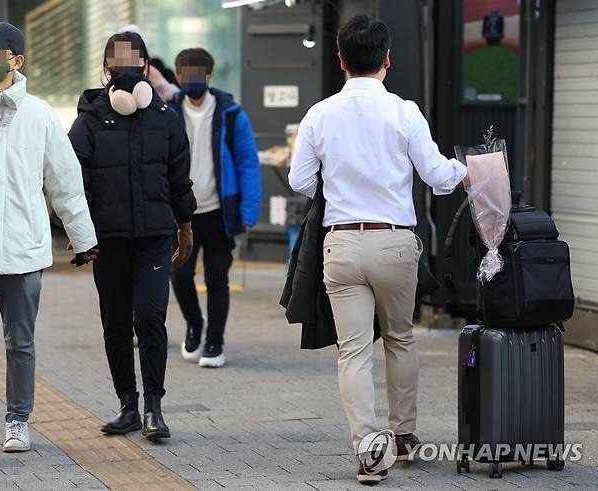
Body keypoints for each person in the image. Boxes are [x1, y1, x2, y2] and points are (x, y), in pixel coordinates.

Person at [289, 16, 467, 484]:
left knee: (352, 352)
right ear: (387, 59)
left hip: (342, 244)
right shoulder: (404, 112)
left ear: (340, 59)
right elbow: (437, 176)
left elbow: (300, 181)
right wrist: (465, 171)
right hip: (395, 243)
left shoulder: (319, 114)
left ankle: (369, 452)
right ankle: (404, 436)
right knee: (400, 338)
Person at [0, 22, 98, 468]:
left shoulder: (41, 115)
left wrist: (83, 238)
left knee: (20, 342)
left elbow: (65, 183)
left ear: (16, 60)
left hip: (22, 249)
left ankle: (17, 420)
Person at [68, 32, 196, 441]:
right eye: (116, 60)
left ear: (145, 67)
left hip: (155, 236)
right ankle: (127, 405)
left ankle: (153, 408)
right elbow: (73, 179)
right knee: (116, 323)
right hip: (108, 239)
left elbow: (179, 178)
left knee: (150, 317)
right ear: (105, 67)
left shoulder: (165, 118)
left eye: (132, 60)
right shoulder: (88, 118)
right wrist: (79, 230)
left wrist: (186, 225)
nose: (123, 68)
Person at [169, 48, 261, 368]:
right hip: (181, 212)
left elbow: (248, 161)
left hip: (220, 211)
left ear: (209, 76)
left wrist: (248, 211)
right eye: (185, 76)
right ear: (178, 77)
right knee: (179, 276)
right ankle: (195, 324)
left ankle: (215, 342)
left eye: (198, 75)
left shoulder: (231, 112)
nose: (191, 81)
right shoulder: (167, 111)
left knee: (217, 278)